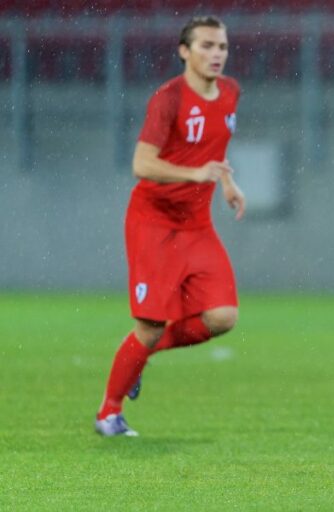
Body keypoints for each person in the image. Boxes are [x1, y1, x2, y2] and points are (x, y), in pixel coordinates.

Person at [94, 15, 245, 437]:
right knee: (150, 325)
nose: (217, 54)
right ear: (184, 51)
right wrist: (195, 174)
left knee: (222, 317)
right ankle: (109, 412)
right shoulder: (168, 99)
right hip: (154, 223)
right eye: (207, 46)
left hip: (197, 225)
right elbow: (141, 163)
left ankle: (138, 358)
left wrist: (228, 182)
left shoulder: (231, 92)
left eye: (222, 47)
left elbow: (216, 145)